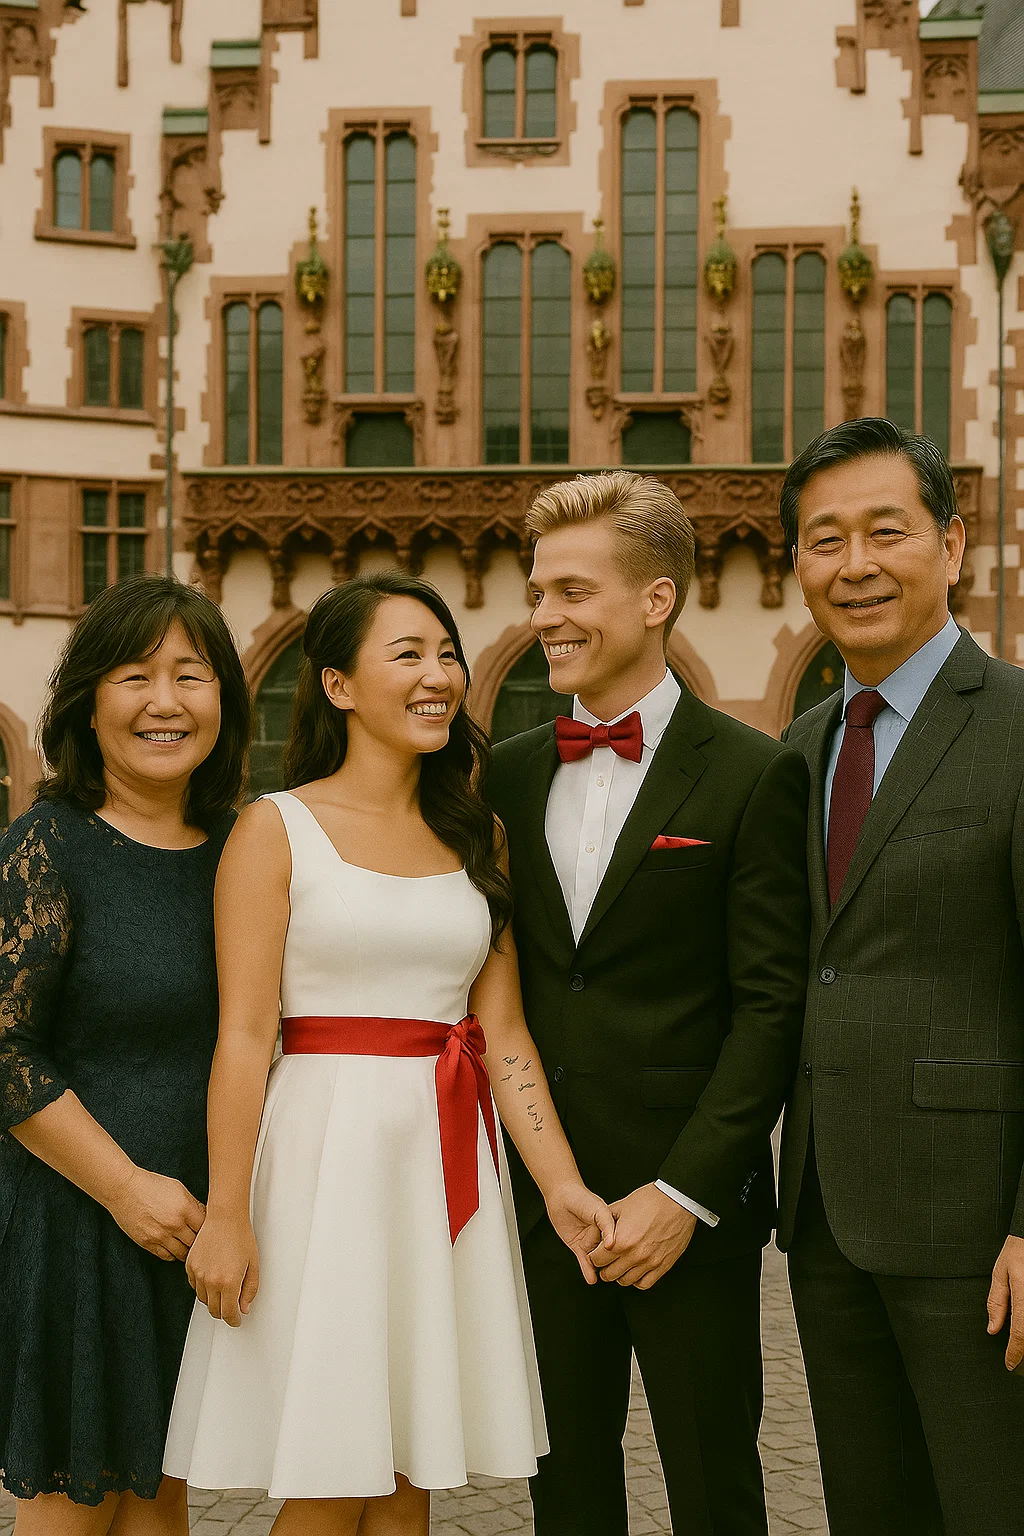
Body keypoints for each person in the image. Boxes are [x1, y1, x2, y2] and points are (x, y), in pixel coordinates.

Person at [163, 572, 614, 1536]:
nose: (439, 675)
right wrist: (228, 1216)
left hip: (444, 1169)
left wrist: (563, 1186)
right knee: (333, 1478)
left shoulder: (475, 833)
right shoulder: (273, 829)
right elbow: (244, 1037)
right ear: (337, 686)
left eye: (447, 652)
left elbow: (505, 1041)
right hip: (322, 1169)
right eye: (406, 654)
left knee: (411, 1474)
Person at [486, 471, 811, 1536]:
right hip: (547, 1208)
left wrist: (682, 1194)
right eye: (538, 593)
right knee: (564, 1497)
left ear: (655, 601)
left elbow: (770, 1008)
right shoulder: (509, 774)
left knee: (719, 1493)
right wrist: (555, 1185)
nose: (543, 618)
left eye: (571, 592)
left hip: (691, 1218)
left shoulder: (755, 774)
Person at [775, 417, 1024, 1535]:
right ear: (797, 567)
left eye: (886, 530)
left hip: (979, 1238)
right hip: (825, 1221)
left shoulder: (1017, 725)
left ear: (952, 544)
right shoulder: (800, 746)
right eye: (825, 540)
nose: (856, 563)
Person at [0, 576, 251, 1534]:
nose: (165, 702)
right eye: (134, 676)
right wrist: (125, 1190)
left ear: (224, 700)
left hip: (197, 1229)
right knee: (77, 1507)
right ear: (88, 704)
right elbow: (6, 1050)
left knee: (161, 1509)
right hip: (81, 1224)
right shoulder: (48, 845)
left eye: (191, 676)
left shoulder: (242, 847)